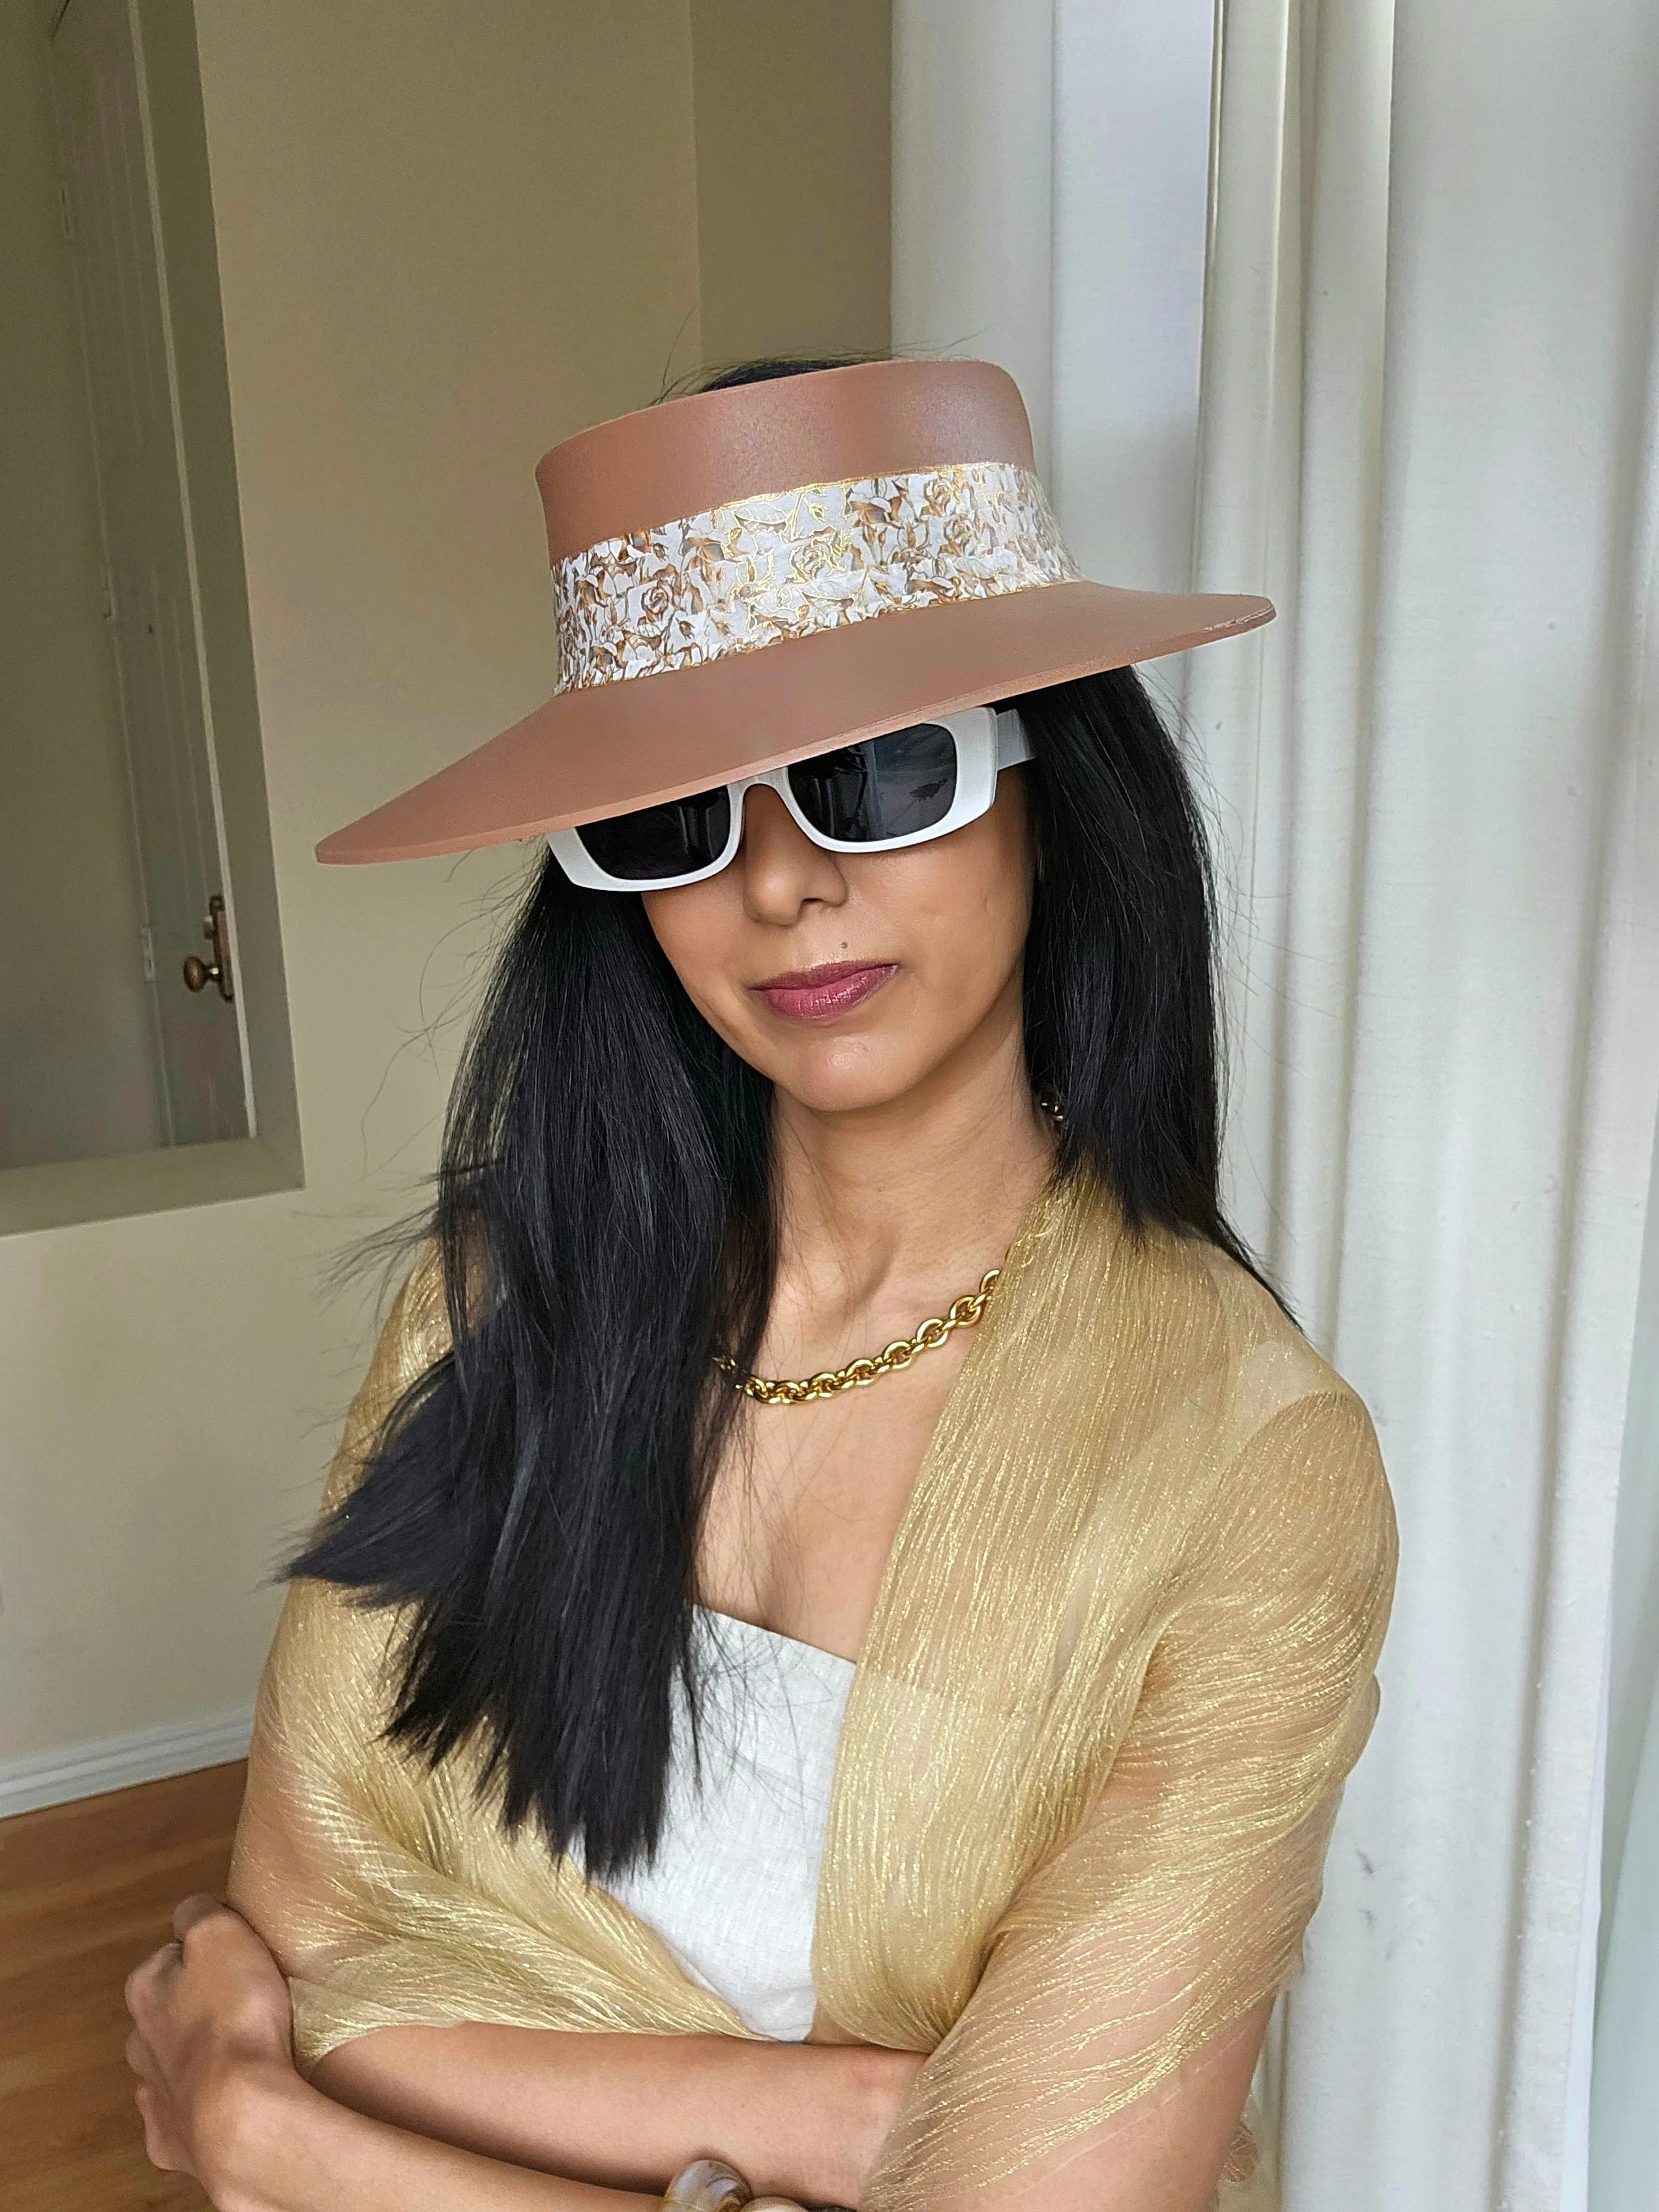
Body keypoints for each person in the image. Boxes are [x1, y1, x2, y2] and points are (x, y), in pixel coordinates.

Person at [123, 357, 1396, 2212]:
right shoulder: (501, 1301)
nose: (782, 886)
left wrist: (281, 2145)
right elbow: (309, 1936)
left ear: (1062, 784)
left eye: (879, 774)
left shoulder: (1258, 1471)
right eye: (670, 820)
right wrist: (842, 2125)